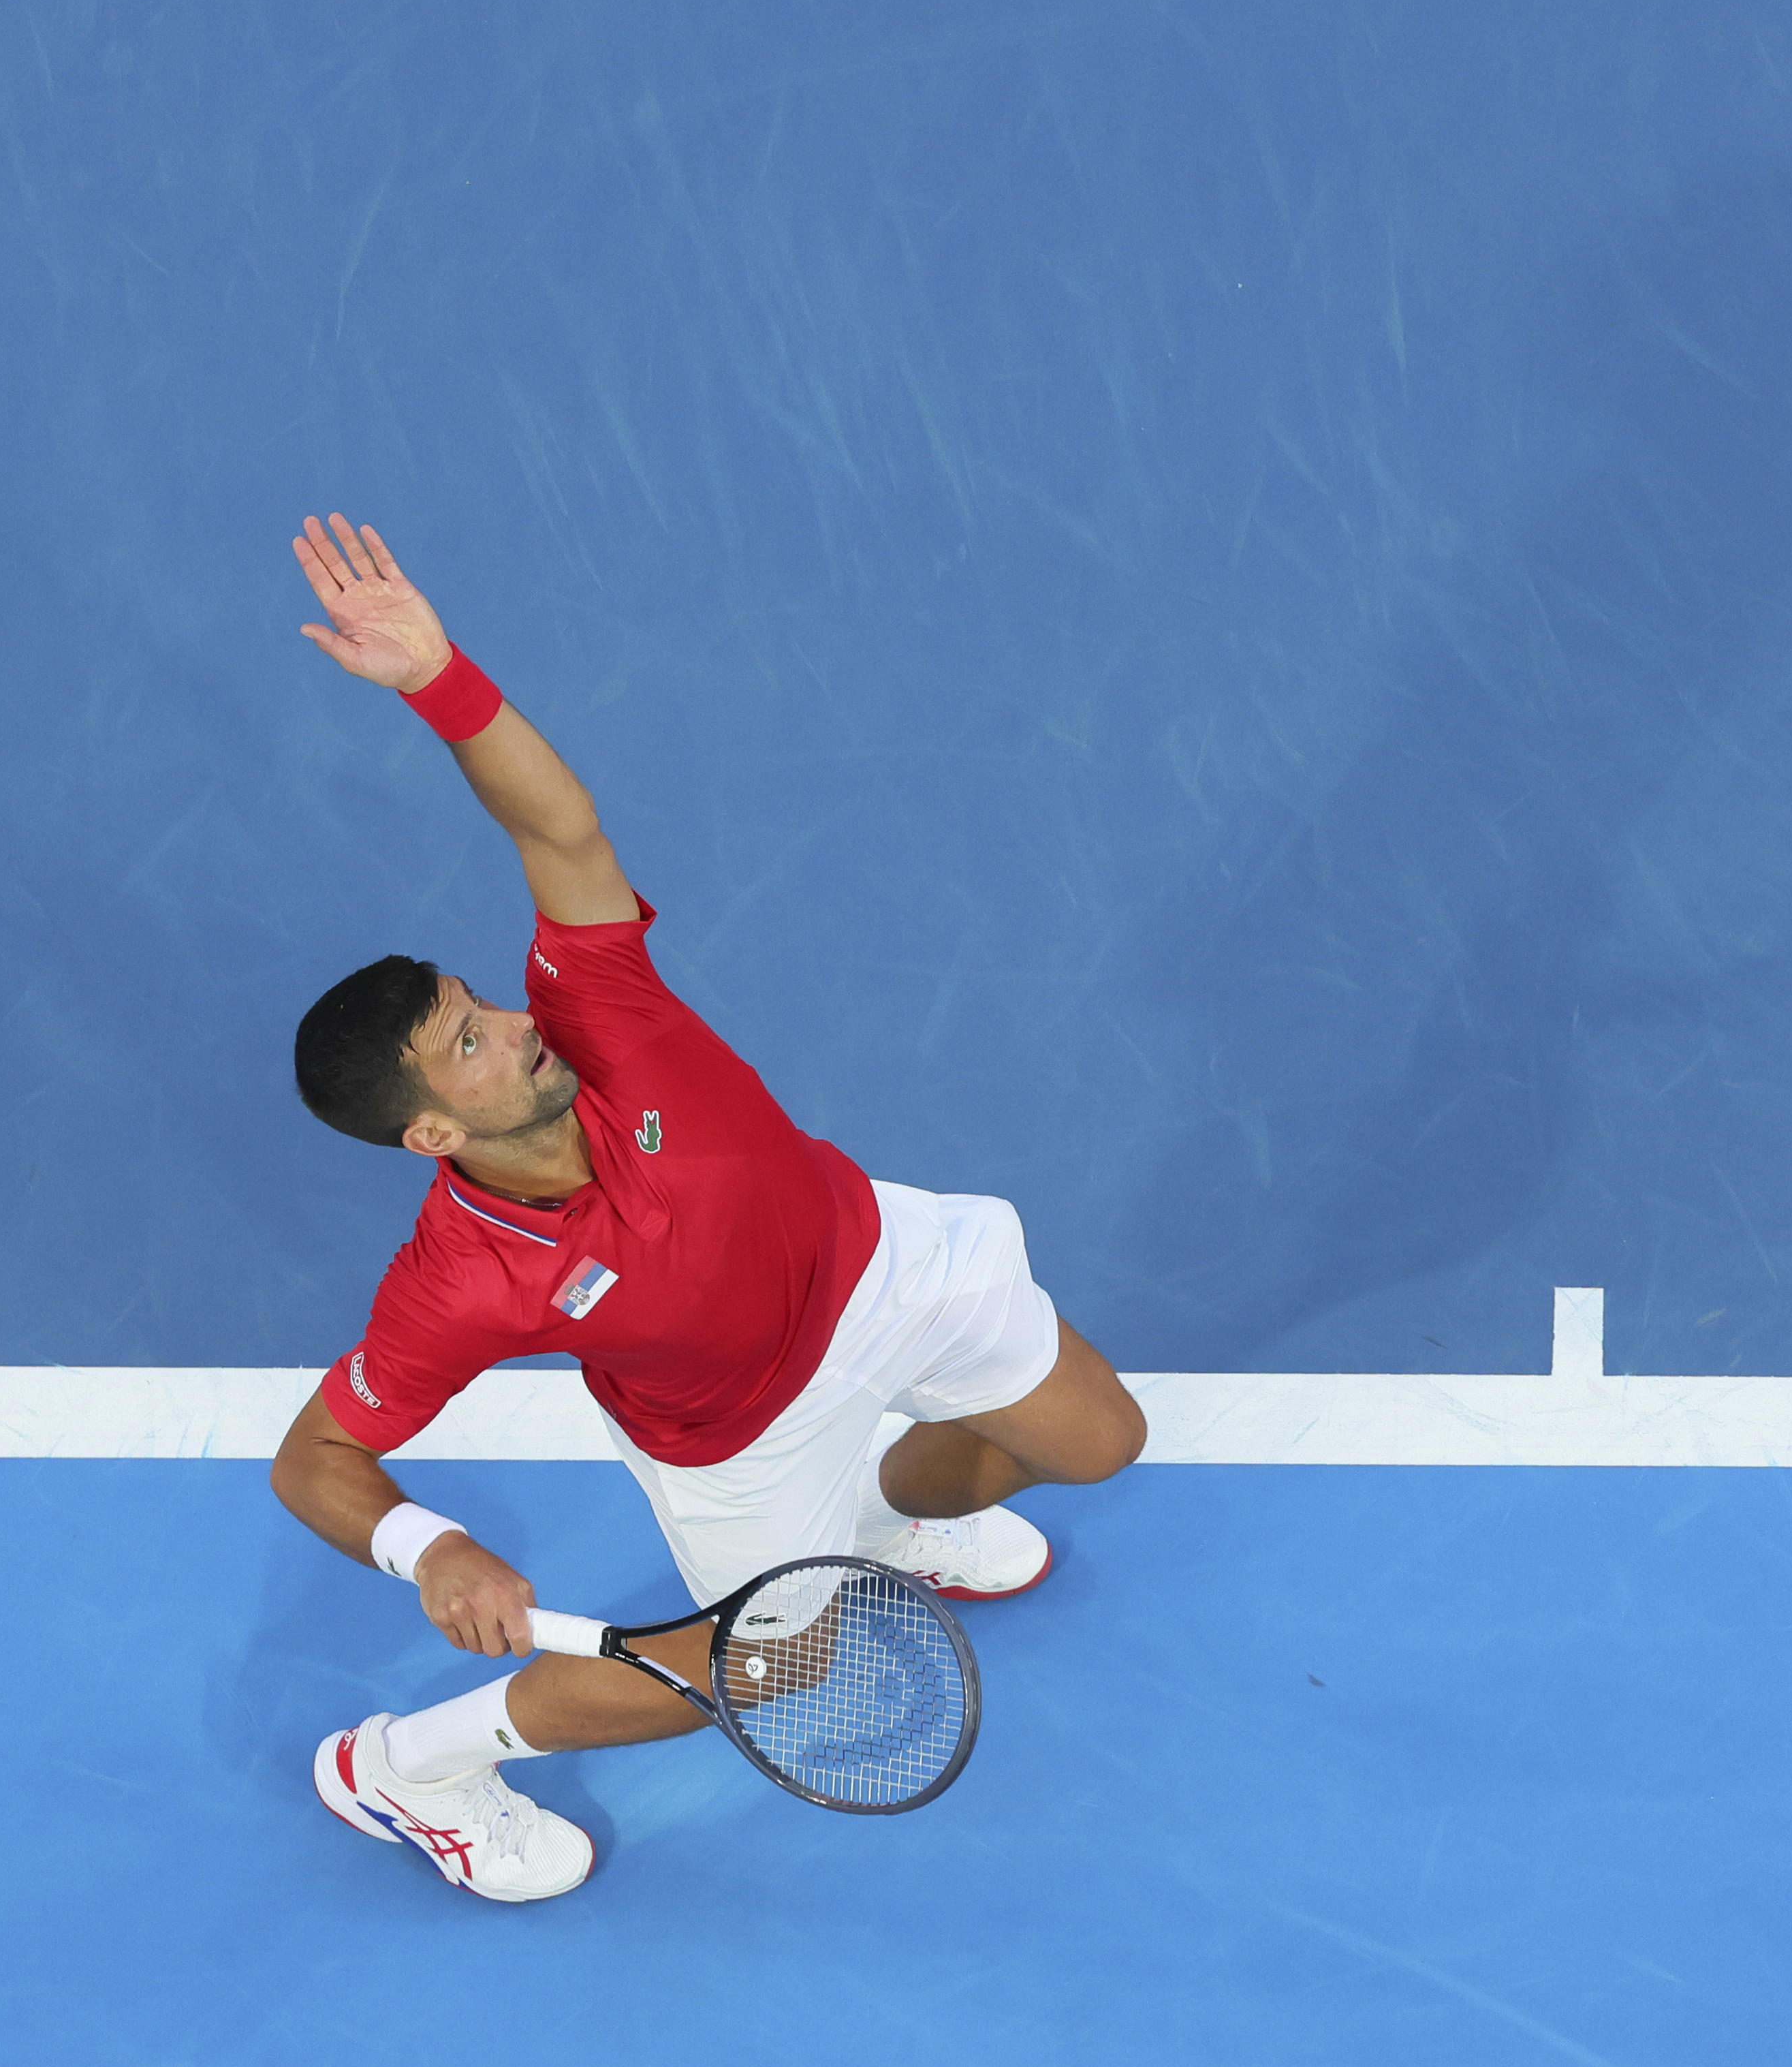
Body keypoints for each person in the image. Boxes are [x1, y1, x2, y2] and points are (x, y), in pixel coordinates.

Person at [271, 516, 1146, 1901]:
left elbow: (556, 824)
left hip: (886, 1265)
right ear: (433, 1131)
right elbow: (314, 1457)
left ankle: (889, 1527)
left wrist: (438, 677)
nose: (512, 1024)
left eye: (475, 1006)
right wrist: (429, 1546)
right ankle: (408, 1765)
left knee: (1100, 1438)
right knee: (748, 1676)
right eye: (471, 1046)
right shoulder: (460, 1279)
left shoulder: (598, 1009)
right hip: (742, 1432)